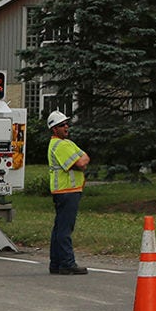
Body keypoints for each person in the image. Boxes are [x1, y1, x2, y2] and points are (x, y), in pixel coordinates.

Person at [46, 109, 90, 275]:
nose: (66, 127)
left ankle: (56, 263)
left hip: (68, 190)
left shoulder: (67, 143)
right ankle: (66, 263)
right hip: (66, 191)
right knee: (65, 229)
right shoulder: (61, 145)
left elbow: (85, 157)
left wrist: (82, 160)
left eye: (66, 124)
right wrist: (81, 161)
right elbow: (80, 163)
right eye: (61, 125)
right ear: (54, 129)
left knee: (59, 228)